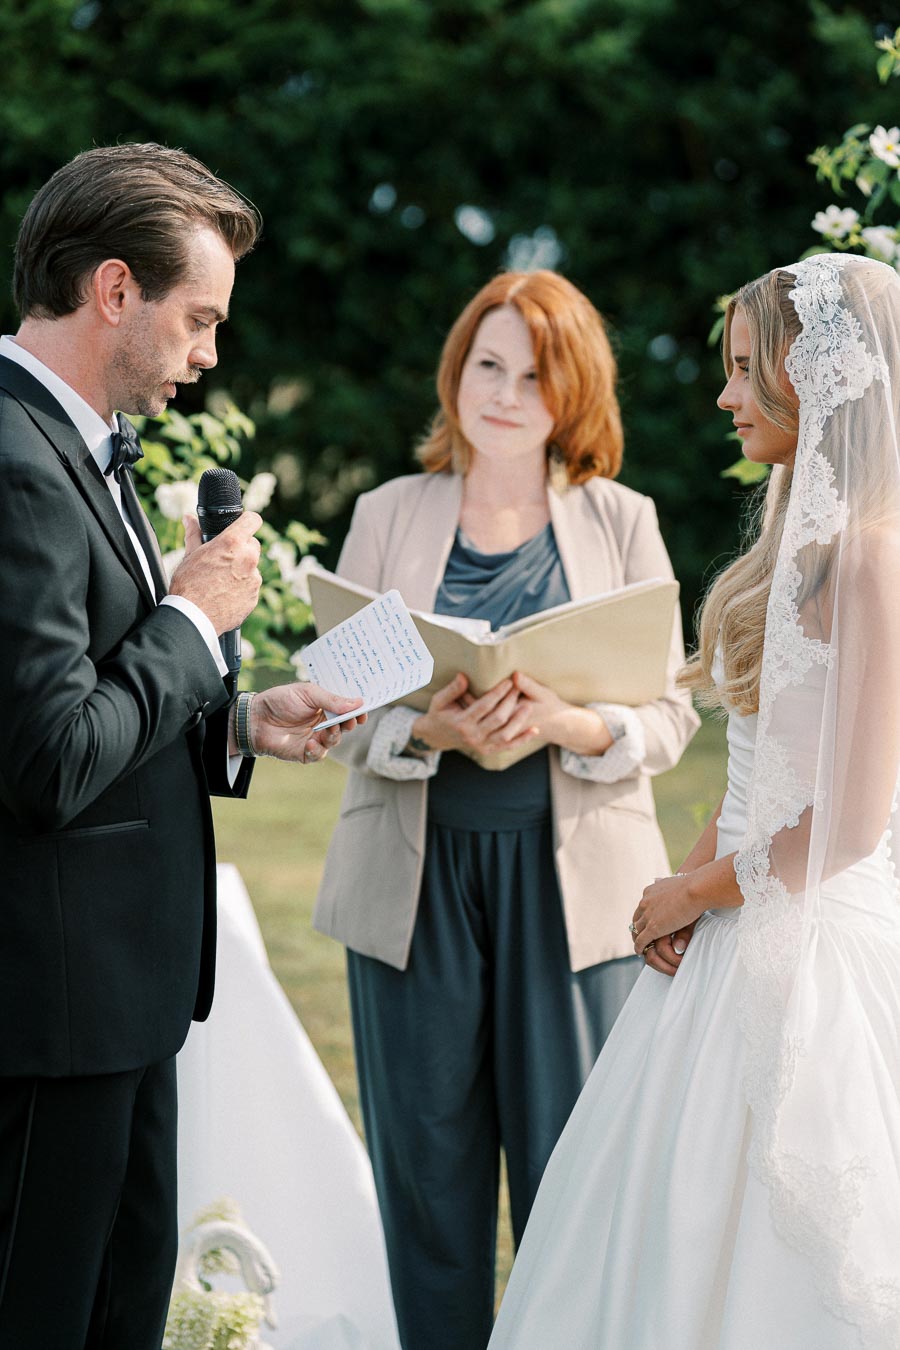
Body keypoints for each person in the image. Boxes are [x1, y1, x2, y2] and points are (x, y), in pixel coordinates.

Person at [487, 252, 900, 1350]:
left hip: (809, 949)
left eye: (744, 370)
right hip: (729, 924)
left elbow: (852, 826)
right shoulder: (791, 551)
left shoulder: (871, 560)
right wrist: (691, 875)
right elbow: (766, 764)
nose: (724, 396)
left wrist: (695, 893)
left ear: (817, 380)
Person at [0, 143, 364, 1350]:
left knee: (119, 1306)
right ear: (115, 291)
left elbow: (97, 697)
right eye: (199, 318)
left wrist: (241, 717)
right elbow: (47, 757)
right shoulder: (13, 465)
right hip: (51, 1009)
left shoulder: (79, 446)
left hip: (122, 997)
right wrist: (193, 619)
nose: (211, 354)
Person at [313, 269, 699, 1350]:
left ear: (571, 393)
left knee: (568, 1176)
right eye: (488, 365)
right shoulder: (388, 516)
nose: (504, 393)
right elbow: (332, 717)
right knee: (427, 1180)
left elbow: (671, 717)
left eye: (534, 375)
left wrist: (575, 726)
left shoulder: (622, 522)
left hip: (574, 893)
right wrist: (429, 732)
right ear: (457, 371)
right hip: (414, 885)